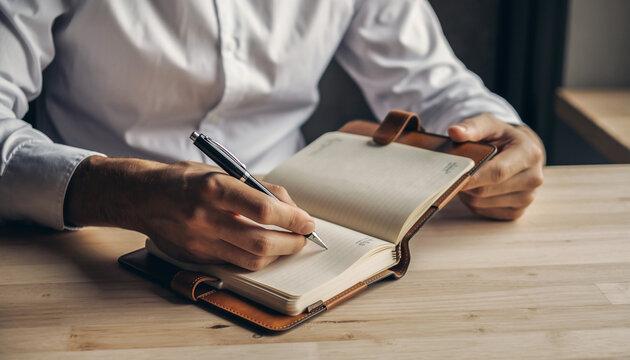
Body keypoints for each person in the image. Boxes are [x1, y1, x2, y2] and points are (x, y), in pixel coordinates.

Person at [0, 1, 544, 270]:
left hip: (291, 223)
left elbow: (428, 78)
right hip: (84, 235)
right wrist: (122, 191)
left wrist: (495, 131)